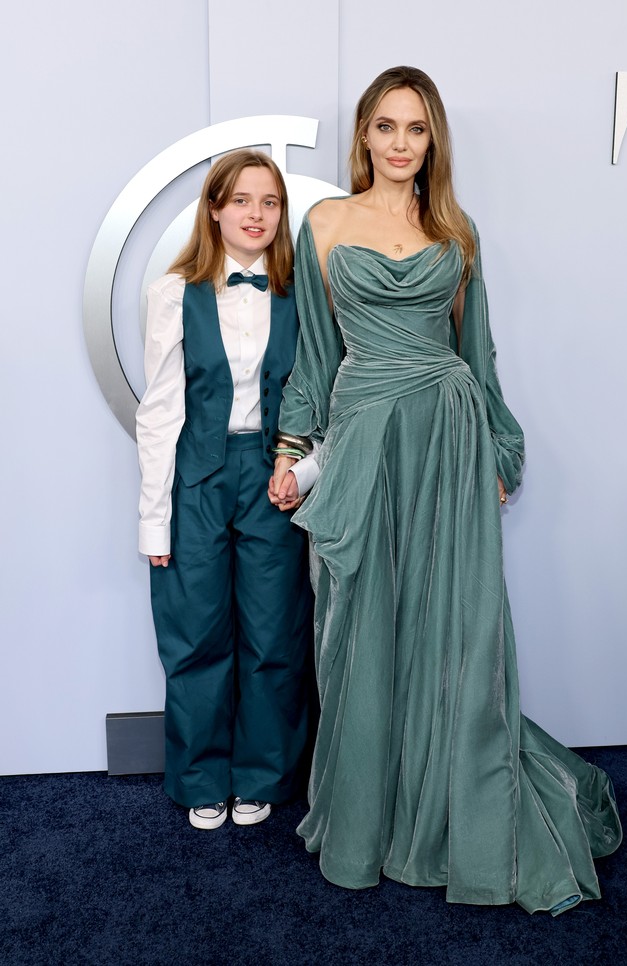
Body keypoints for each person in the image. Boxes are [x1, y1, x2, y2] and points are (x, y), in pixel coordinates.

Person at [269, 67, 622, 914]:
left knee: (453, 630)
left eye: (415, 129)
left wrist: (499, 447)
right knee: (357, 626)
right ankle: (365, 820)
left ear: (433, 142)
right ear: (363, 136)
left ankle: (447, 812)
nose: (399, 143)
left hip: (449, 438)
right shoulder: (323, 223)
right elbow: (316, 358)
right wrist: (291, 449)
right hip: (362, 441)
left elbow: (479, 352)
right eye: (385, 127)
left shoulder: (456, 231)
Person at [136, 149, 315, 831]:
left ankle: (262, 774)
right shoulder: (174, 292)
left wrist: (304, 470)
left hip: (275, 478)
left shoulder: (305, 293)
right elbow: (157, 411)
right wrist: (153, 521)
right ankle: (200, 777)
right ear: (214, 208)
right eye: (241, 200)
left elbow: (322, 397)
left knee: (273, 635)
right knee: (195, 635)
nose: (256, 215)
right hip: (197, 476)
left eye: (269, 203)